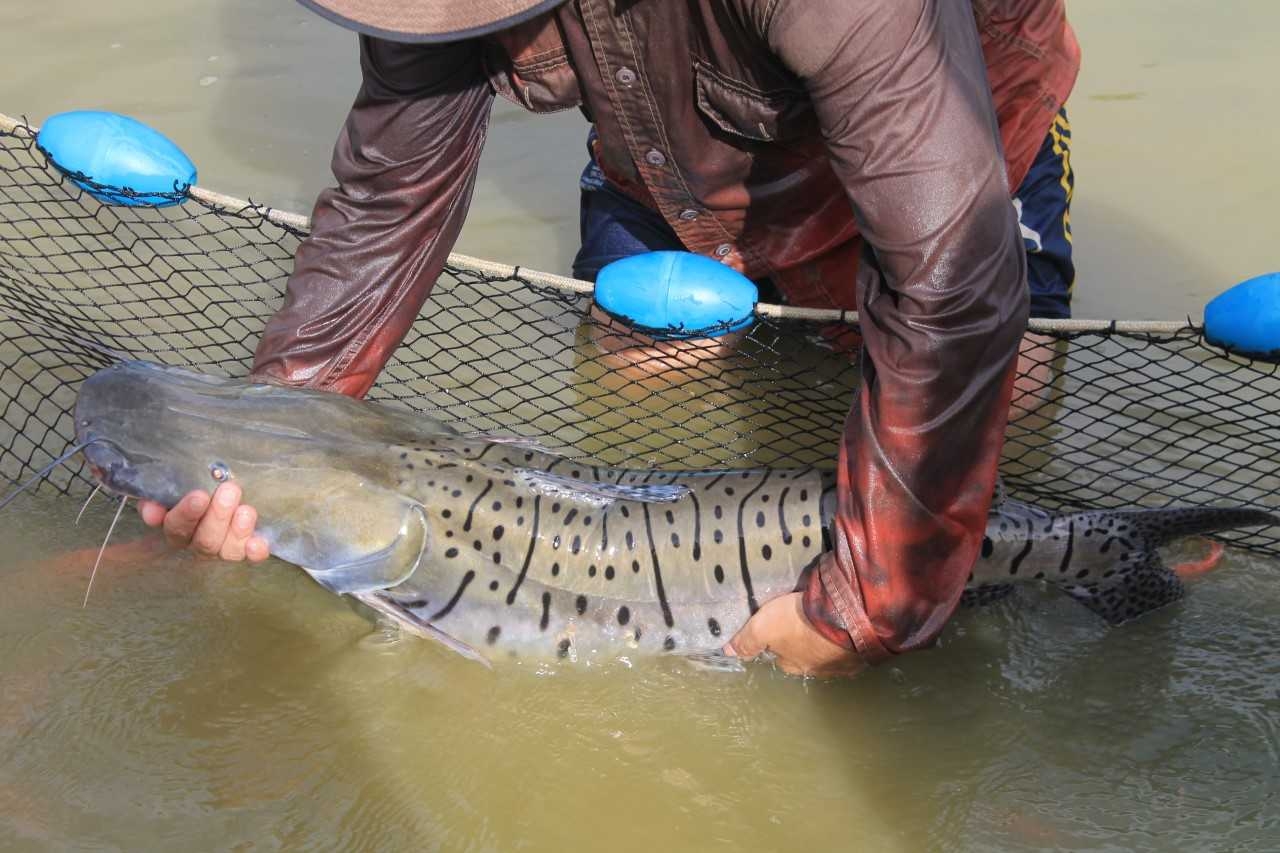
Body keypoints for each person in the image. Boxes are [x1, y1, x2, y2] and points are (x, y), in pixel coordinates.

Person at [140, 0, 1079, 677]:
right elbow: (387, 199)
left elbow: (954, 291)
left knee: (1011, 388)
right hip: (682, 168)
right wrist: (266, 444)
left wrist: (866, 605)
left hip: (954, 142)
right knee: (639, 374)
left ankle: (1064, 547)